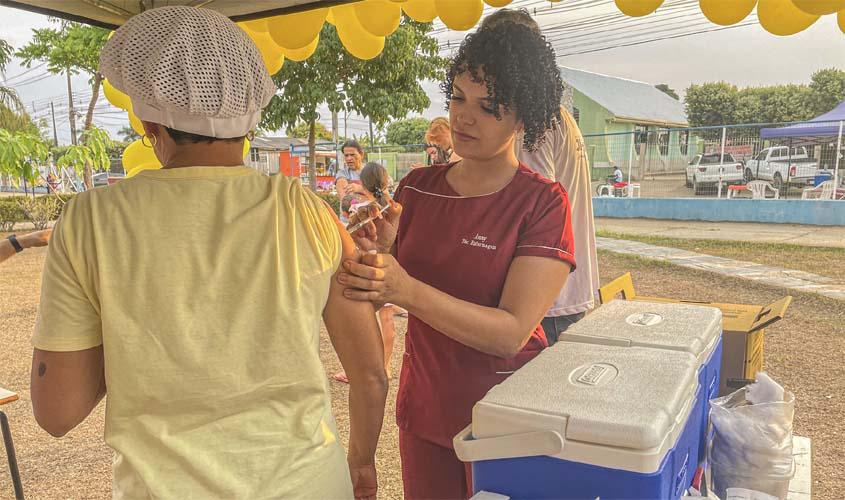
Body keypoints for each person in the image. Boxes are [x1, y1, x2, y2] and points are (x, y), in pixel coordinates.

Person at [30, 7, 387, 499]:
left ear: (147, 114)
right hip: (309, 484)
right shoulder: (306, 211)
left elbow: (56, 412)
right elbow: (370, 374)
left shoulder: (90, 220)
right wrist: (362, 462)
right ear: (250, 106)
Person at [340, 19, 575, 499]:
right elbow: (391, 275)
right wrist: (380, 250)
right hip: (426, 407)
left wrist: (404, 289)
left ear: (523, 116)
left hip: (505, 417)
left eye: (489, 107)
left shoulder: (542, 202)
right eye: (458, 98)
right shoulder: (417, 189)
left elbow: (510, 333)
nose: (465, 118)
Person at [482, 9, 600, 344]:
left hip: (544, 303)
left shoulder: (532, 123)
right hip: (561, 293)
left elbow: (529, 210)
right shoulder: (556, 114)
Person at [333, 162, 398, 384]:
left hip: (365, 270)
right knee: (387, 319)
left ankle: (357, 370)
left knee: (361, 322)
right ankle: (386, 367)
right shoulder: (393, 208)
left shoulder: (359, 210)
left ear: (363, 182)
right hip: (387, 268)